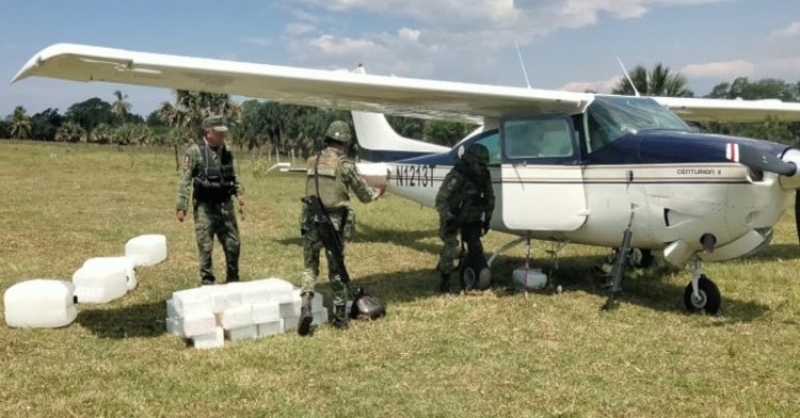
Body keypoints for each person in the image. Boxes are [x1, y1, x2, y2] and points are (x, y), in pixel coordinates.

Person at [297, 120, 384, 336]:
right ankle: (340, 317)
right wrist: (378, 191)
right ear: (344, 143)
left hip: (310, 219)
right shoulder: (345, 165)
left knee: (310, 267)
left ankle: (306, 304)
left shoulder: (312, 161)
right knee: (336, 270)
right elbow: (364, 195)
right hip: (333, 223)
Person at [175, 115, 245, 286]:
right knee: (205, 246)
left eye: (223, 134)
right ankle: (207, 280)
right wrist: (181, 205)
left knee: (233, 243)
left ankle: (233, 278)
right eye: (219, 133)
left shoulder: (227, 151)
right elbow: (185, 179)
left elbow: (234, 174)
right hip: (205, 207)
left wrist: (239, 193)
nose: (223, 137)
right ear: (208, 133)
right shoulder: (195, 151)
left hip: (225, 205)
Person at [435, 143, 495, 293]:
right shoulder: (456, 175)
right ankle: (445, 280)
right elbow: (441, 200)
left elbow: (489, 197)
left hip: (472, 217)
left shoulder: (484, 175)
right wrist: (448, 217)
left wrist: (487, 218)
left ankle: (471, 272)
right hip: (453, 216)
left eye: (484, 165)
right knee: (451, 248)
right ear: (470, 161)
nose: (482, 168)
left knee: (476, 249)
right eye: (479, 164)